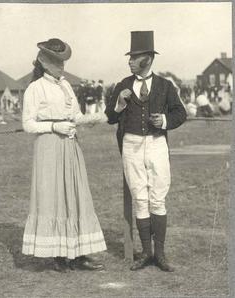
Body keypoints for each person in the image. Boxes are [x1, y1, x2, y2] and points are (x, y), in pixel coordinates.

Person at [22, 38, 107, 272]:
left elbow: (76, 116)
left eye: (63, 61)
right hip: (48, 147)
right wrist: (53, 127)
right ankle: (58, 254)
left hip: (70, 146)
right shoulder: (35, 88)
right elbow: (28, 124)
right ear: (44, 61)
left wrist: (104, 115)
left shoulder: (66, 86)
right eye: (57, 61)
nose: (61, 66)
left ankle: (78, 253)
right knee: (53, 196)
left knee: (75, 195)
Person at [105, 31, 187, 272]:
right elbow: (110, 117)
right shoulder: (123, 85)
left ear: (148, 59)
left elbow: (180, 113)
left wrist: (163, 120)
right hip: (131, 145)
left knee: (157, 198)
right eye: (130, 57)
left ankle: (160, 254)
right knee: (140, 198)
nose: (130, 61)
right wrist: (119, 102)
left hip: (156, 144)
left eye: (135, 57)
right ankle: (146, 253)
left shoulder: (165, 85)